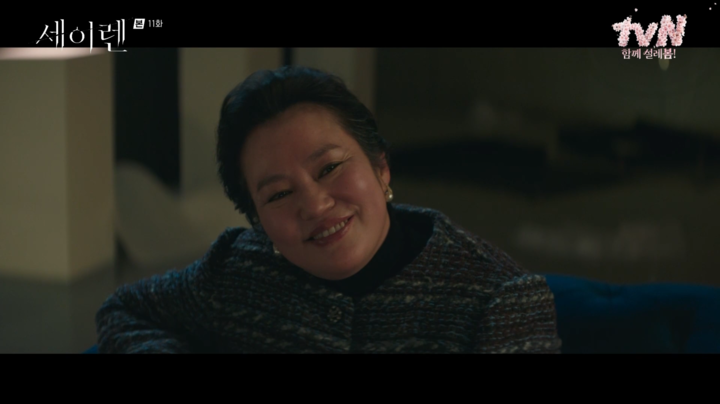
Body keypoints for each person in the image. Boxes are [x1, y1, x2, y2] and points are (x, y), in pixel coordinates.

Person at [95, 65, 562, 353]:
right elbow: (127, 309)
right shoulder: (238, 271)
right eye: (278, 194)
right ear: (257, 222)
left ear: (381, 167)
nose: (316, 205)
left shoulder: (497, 299)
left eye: (330, 168)